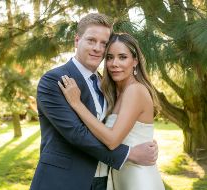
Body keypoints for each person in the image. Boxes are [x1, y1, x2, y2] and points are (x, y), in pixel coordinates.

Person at [30, 13, 158, 190]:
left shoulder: (105, 84)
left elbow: (124, 125)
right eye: (91, 40)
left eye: (104, 43)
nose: (97, 48)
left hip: (105, 181)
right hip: (64, 181)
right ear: (77, 40)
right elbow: (76, 133)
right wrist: (129, 153)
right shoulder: (55, 80)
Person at [58, 33, 165, 190]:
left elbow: (112, 140)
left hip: (138, 178)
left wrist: (76, 103)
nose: (114, 63)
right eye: (109, 57)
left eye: (122, 57)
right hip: (119, 175)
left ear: (135, 61)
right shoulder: (114, 93)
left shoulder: (135, 91)